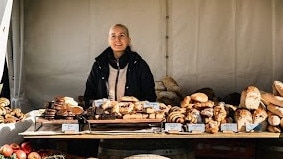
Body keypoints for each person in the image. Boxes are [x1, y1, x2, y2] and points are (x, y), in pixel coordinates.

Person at [83, 23, 157, 108]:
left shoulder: (139, 65)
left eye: (121, 35)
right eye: (113, 36)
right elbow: (88, 97)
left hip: (132, 118)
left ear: (129, 40)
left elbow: (151, 99)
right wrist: (102, 104)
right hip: (103, 118)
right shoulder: (99, 65)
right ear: (108, 40)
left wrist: (136, 105)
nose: (117, 40)